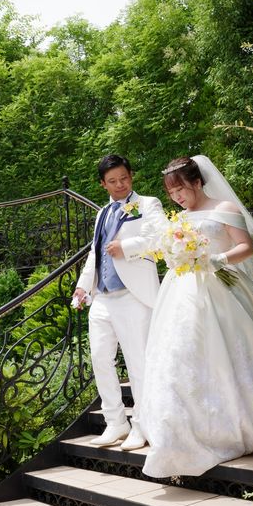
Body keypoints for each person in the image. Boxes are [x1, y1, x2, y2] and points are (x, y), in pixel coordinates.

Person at [138, 155, 253, 478]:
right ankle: (179, 433)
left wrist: (218, 259)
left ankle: (243, 421)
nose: (177, 196)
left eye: (181, 189)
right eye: (171, 192)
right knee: (179, 356)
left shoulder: (225, 208)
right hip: (181, 293)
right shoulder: (179, 219)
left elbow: (245, 247)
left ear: (197, 182)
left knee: (232, 352)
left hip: (222, 287)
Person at [73, 154, 166, 450]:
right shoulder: (102, 213)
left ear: (131, 176)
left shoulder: (148, 204)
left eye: (124, 178)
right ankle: (116, 423)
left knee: (138, 363)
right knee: (100, 359)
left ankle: (142, 424)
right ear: (103, 184)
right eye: (112, 181)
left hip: (133, 296)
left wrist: (128, 246)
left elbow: (163, 237)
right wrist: (83, 285)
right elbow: (95, 252)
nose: (119, 185)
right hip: (102, 297)